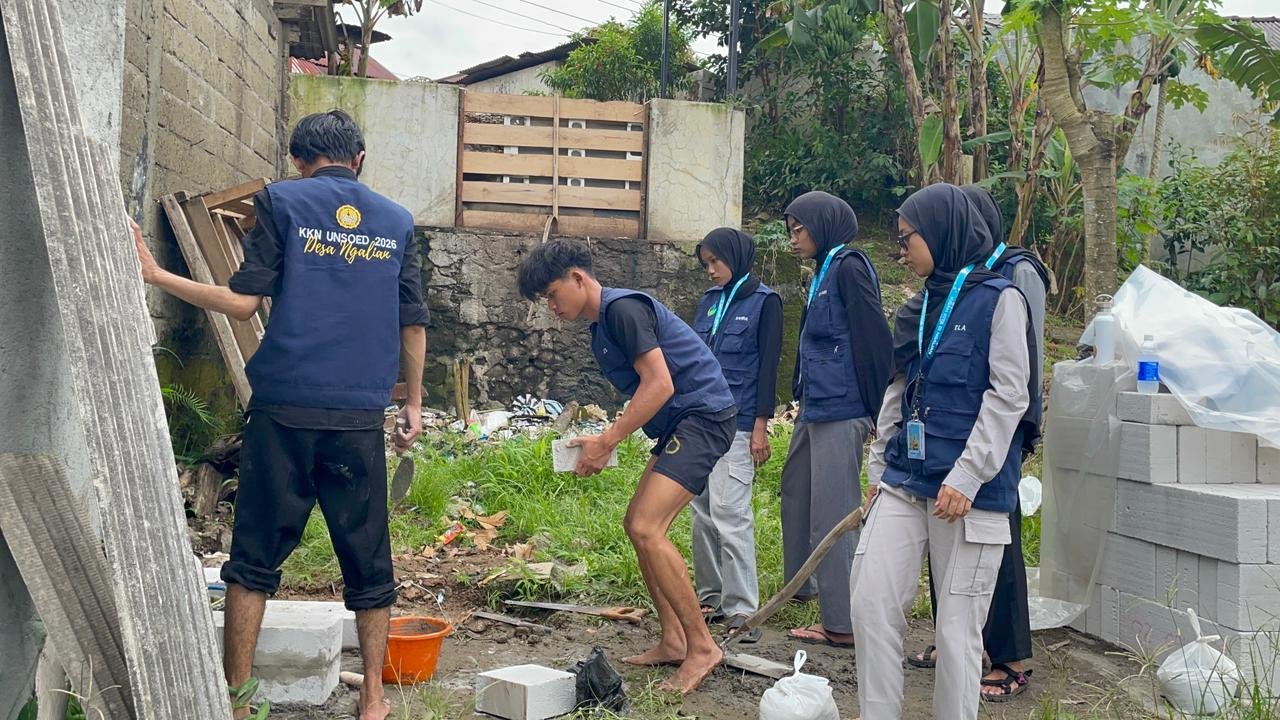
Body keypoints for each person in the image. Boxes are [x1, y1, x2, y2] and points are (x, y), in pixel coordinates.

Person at [132, 110, 427, 720]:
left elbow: (242, 305)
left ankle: (236, 700)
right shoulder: (397, 222)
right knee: (368, 555)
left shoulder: (281, 203)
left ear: (298, 160)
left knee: (255, 556)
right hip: (357, 414)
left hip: (285, 407)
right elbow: (413, 321)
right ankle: (373, 699)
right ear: (360, 159)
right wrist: (414, 402)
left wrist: (158, 274)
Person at [850, 183, 1042, 720]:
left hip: (968, 492)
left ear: (942, 233)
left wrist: (967, 475)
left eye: (909, 237)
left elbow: (1010, 395)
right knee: (870, 602)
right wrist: (878, 465)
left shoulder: (1001, 300)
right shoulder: (921, 303)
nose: (902, 247)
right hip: (907, 481)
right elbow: (899, 386)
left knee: (957, 629)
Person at [516, 238, 736, 694]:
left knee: (646, 527)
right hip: (681, 422)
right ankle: (674, 639)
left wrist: (607, 440)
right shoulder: (602, 326)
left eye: (553, 295)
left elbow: (659, 385)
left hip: (702, 416)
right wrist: (600, 440)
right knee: (635, 525)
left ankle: (702, 647)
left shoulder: (621, 310)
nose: (551, 308)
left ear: (578, 278)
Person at [907, 185, 1050, 701]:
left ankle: (1009, 656)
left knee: (998, 548)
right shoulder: (948, 282)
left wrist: (1018, 437)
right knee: (950, 551)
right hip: (948, 442)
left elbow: (1021, 367)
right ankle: (960, 644)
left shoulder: (1014, 274)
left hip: (998, 439)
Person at [780, 191, 893, 647]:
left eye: (799, 229)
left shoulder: (849, 267)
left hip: (843, 406)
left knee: (832, 509)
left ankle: (842, 623)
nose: (793, 239)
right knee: (796, 491)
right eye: (790, 230)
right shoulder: (823, 270)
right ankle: (802, 586)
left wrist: (877, 408)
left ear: (824, 224)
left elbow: (873, 338)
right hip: (815, 404)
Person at [688, 228, 784, 643]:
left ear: (736, 257)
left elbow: (767, 369)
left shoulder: (766, 303)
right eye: (705, 264)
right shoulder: (709, 302)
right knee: (701, 511)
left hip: (739, 423)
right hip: (699, 422)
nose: (710, 270)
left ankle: (744, 610)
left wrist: (759, 425)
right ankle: (710, 597)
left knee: (731, 513)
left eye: (716, 262)